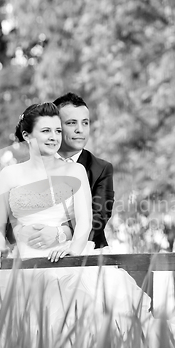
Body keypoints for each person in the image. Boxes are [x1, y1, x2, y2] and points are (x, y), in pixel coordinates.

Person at [0, 102, 162, 342]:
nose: (54, 137)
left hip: (65, 259)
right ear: (27, 135)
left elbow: (85, 224)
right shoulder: (9, 175)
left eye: (58, 131)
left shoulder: (74, 171)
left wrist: (71, 254)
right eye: (46, 131)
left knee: (77, 318)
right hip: (23, 264)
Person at [24, 93, 114, 252]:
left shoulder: (101, 169)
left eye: (85, 123)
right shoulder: (31, 168)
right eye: (72, 123)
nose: (80, 130)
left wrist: (60, 233)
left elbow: (99, 218)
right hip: (35, 252)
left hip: (88, 251)